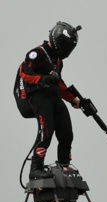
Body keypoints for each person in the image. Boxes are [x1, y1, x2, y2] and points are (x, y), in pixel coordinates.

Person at [15, 21, 82, 180]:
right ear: (57, 40)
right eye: (65, 46)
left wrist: (73, 99)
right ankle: (35, 168)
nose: (67, 51)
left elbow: (58, 83)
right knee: (47, 132)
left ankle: (64, 167)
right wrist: (41, 79)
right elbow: (24, 72)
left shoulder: (58, 61)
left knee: (66, 133)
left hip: (54, 97)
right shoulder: (37, 53)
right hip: (39, 97)